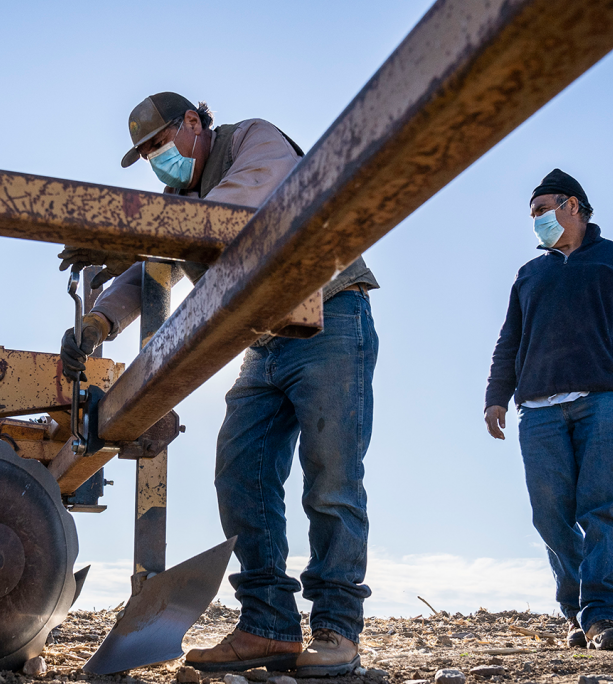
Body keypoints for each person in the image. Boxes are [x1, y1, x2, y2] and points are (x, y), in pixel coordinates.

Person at [58, 93, 380, 676]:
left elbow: (238, 207)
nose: (159, 159)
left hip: (331, 316)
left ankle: (337, 630)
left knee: (332, 481)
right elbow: (153, 263)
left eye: (161, 144)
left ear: (192, 123)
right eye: (148, 153)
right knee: (241, 475)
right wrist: (98, 321)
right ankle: (268, 626)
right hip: (261, 339)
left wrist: (128, 232)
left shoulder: (252, 141)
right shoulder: (178, 202)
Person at [483, 169, 613, 651]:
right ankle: (577, 608)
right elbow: (509, 340)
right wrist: (496, 394)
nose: (536, 222)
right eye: (532, 215)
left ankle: (600, 614)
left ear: (572, 206)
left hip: (602, 403)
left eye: (541, 210)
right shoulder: (530, 274)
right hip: (538, 411)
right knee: (549, 515)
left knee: (603, 507)